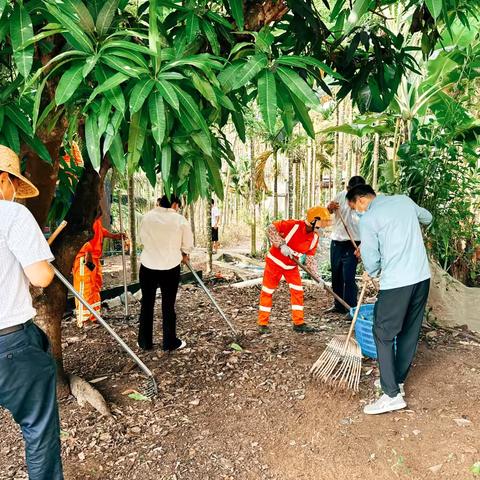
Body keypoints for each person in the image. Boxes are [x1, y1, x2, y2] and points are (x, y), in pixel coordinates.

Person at [0, 145, 64, 479]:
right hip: (9, 343)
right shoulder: (11, 215)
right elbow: (41, 276)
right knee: (38, 428)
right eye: (12, 182)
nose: (12, 191)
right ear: (2, 181)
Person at [346, 184, 432, 415]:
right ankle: (397, 382)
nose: (358, 213)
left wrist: (371, 270)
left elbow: (372, 258)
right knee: (409, 331)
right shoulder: (404, 200)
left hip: (397, 283)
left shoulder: (369, 218)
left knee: (382, 333)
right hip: (422, 278)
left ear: (362, 200)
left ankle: (391, 395)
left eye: (356, 208)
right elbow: (428, 217)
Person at [258, 206, 331, 334]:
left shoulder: (314, 237)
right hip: (275, 262)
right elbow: (270, 228)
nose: (324, 226)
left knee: (298, 291)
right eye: (322, 222)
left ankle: (299, 323)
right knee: (267, 291)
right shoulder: (294, 225)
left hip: (291, 266)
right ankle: (262, 323)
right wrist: (281, 244)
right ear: (314, 220)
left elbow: (310, 259)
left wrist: (317, 277)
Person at [138, 195, 194, 351]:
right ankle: (169, 342)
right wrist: (185, 253)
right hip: (170, 267)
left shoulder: (147, 217)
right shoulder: (180, 220)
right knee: (168, 305)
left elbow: (142, 239)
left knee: (147, 304)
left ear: (159, 203)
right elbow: (187, 244)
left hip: (148, 265)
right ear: (174, 204)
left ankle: (144, 342)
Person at [72, 211, 125, 326]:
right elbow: (80, 235)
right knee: (85, 287)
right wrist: (87, 252)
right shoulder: (83, 218)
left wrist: (113, 236)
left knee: (95, 286)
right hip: (85, 258)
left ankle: (94, 315)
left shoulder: (96, 219)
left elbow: (99, 231)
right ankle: (84, 319)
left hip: (94, 257)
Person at [326, 176, 365, 315]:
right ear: (347, 188)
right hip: (337, 240)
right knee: (336, 275)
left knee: (348, 276)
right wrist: (330, 207)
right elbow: (329, 210)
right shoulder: (340, 196)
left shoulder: (367, 202)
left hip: (353, 242)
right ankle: (338, 304)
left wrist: (363, 246)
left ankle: (351, 308)